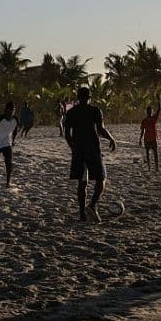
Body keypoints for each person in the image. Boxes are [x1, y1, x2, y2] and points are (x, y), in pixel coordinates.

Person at [63, 86, 117, 223]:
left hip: (79, 150)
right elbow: (100, 129)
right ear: (89, 97)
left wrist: (72, 147)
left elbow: (67, 133)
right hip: (92, 149)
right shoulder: (95, 111)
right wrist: (111, 139)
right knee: (101, 179)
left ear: (78, 97)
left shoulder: (72, 112)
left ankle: (82, 214)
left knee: (82, 182)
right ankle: (92, 205)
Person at [138, 95, 161, 172]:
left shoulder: (153, 118)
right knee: (148, 153)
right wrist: (140, 139)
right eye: (149, 111)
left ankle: (156, 167)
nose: (150, 112)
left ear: (151, 112)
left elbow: (159, 109)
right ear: (147, 112)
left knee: (155, 153)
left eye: (151, 111)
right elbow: (142, 131)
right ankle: (149, 167)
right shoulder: (144, 121)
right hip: (147, 139)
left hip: (153, 138)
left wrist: (159, 101)